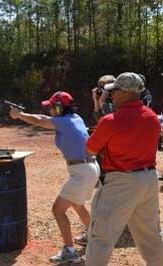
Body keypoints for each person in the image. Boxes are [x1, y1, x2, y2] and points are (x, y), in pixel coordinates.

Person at [9, 91, 100, 263]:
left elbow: (38, 120)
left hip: (81, 170)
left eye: (52, 107)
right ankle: (92, 237)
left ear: (59, 108)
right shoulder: (76, 118)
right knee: (78, 205)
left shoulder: (63, 122)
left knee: (58, 210)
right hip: (90, 167)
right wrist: (23, 114)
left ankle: (69, 250)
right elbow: (40, 117)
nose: (50, 110)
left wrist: (19, 115)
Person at [85, 72, 163, 266]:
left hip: (121, 181)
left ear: (123, 93)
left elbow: (90, 148)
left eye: (115, 91)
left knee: (101, 237)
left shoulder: (111, 120)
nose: (112, 95)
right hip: (149, 178)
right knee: (151, 236)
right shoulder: (152, 117)